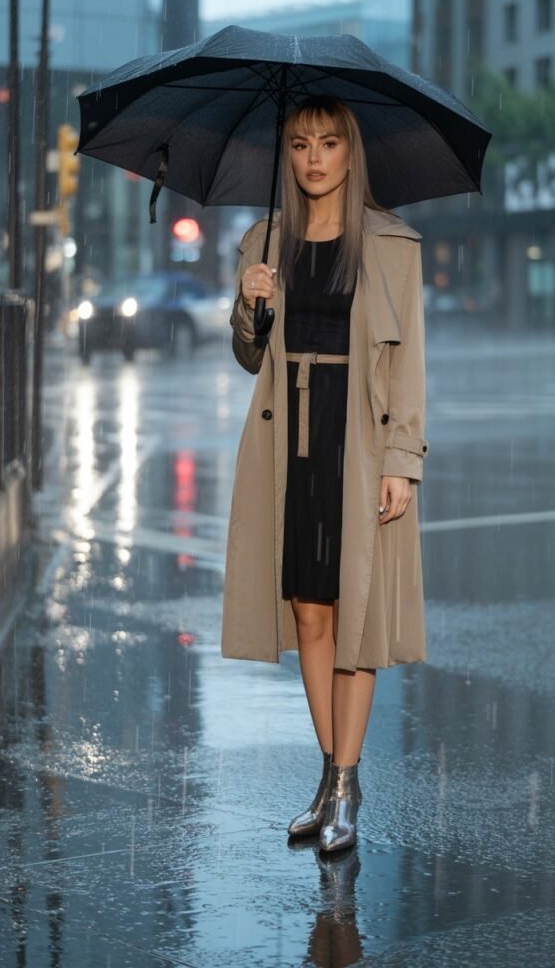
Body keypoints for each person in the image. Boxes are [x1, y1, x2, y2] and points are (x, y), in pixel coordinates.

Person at [222, 95, 429, 853]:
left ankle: (344, 784)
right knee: (309, 612)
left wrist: (403, 463)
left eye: (329, 142)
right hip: (290, 443)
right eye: (301, 143)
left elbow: (407, 366)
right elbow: (249, 357)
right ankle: (335, 775)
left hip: (361, 439)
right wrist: (252, 307)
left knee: (357, 618)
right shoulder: (262, 241)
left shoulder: (392, 246)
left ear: (351, 152)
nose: (314, 157)